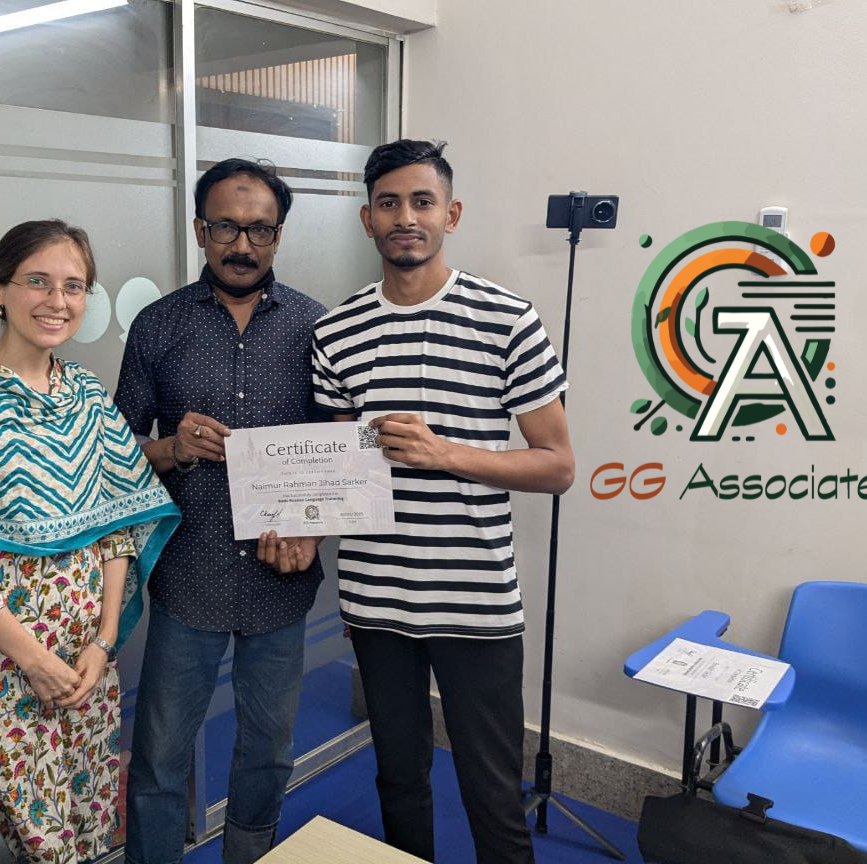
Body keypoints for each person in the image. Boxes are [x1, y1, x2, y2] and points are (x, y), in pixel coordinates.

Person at [310, 140, 575, 864]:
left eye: (422, 202)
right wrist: (292, 522)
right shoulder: (335, 332)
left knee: (492, 793)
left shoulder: (506, 318)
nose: (406, 217)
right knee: (398, 778)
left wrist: (445, 453)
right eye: (388, 203)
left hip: (475, 602)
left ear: (450, 215)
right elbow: (338, 474)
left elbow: (557, 466)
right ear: (367, 219)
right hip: (376, 600)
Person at [0, 219, 180, 864]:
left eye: (74, 286)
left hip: (86, 668)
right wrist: (34, 660)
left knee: (80, 820)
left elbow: (119, 525)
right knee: (11, 832)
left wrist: (104, 643)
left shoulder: (88, 396)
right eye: (38, 282)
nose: (57, 301)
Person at [115, 158, 326, 864]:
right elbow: (115, 451)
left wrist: (311, 528)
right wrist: (172, 449)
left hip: (280, 578)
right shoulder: (157, 325)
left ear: (278, 234)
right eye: (226, 227)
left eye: (260, 229)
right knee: (159, 757)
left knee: (268, 752)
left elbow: (342, 455)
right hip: (188, 575)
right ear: (199, 229)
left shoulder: (316, 327)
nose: (242, 245)